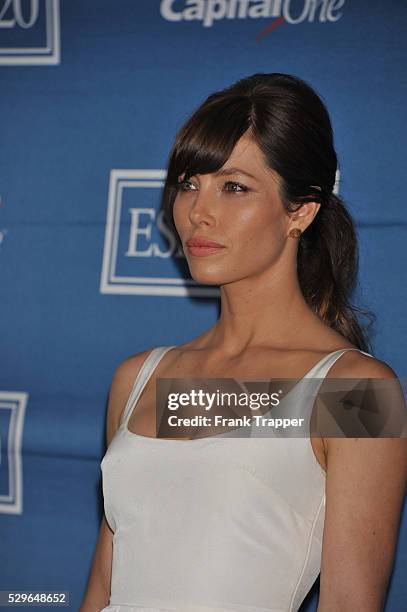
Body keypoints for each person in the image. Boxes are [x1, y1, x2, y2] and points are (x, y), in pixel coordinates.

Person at [80, 73, 407, 612]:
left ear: (300, 210)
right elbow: (103, 589)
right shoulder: (142, 380)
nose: (197, 212)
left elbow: (350, 603)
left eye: (233, 187)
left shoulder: (354, 391)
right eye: (189, 183)